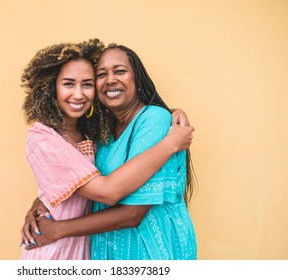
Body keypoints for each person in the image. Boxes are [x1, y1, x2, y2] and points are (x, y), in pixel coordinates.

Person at [22, 42, 197, 260]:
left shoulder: (153, 120)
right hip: (92, 250)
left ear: (137, 78)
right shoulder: (100, 132)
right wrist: (41, 202)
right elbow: (77, 179)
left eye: (120, 71)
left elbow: (132, 212)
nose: (110, 80)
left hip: (148, 251)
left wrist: (167, 120)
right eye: (101, 74)